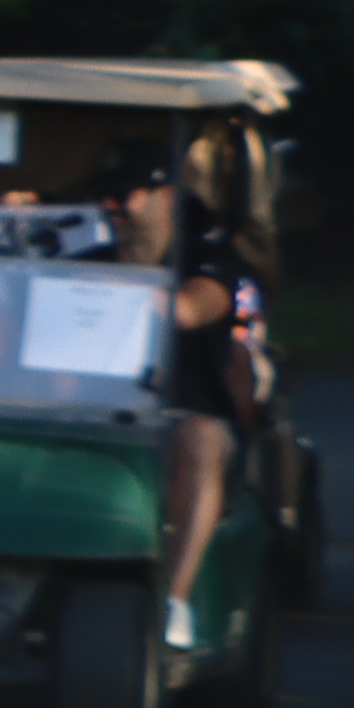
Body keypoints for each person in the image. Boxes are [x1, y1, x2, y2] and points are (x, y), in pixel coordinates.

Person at [96, 147, 256, 616]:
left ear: (164, 195)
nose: (113, 208)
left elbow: (193, 307)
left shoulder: (208, 260)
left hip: (184, 411)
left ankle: (175, 598)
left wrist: (111, 292)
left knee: (202, 440)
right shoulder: (91, 260)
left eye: (125, 196)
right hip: (101, 410)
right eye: (106, 199)